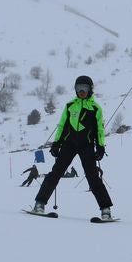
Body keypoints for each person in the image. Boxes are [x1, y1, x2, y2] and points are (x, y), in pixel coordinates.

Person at [29, 75, 114, 219]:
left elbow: (99, 129)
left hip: (86, 145)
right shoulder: (70, 106)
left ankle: (106, 210)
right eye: (78, 88)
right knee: (55, 173)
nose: (81, 91)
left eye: (84, 88)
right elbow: (62, 125)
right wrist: (56, 143)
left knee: (93, 176)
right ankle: (40, 204)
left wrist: (100, 147)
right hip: (69, 144)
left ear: (90, 90)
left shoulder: (95, 108)